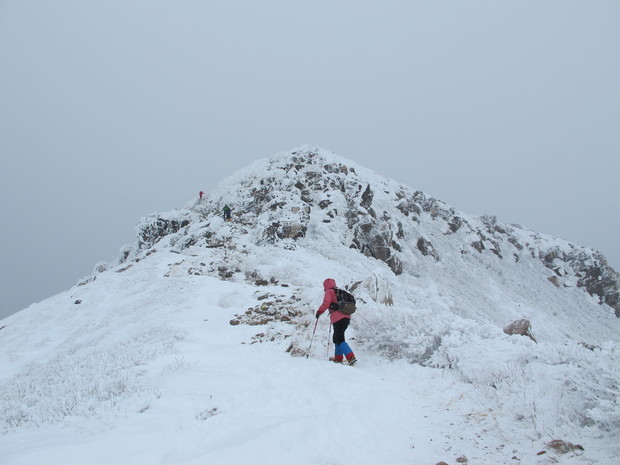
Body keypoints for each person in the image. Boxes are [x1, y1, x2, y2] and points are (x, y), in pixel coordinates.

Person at [315, 278, 357, 366]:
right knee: (337, 337)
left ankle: (351, 357)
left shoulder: (329, 292)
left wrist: (319, 312)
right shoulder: (339, 292)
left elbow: (326, 303)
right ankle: (338, 358)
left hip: (338, 319)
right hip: (346, 317)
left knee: (339, 338)